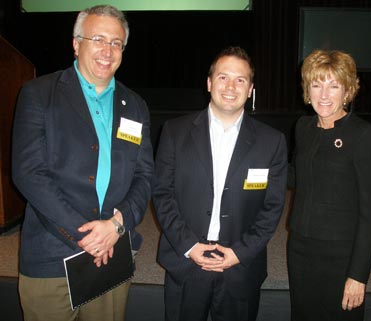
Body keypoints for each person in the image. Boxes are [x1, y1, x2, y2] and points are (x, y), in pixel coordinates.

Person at [12, 5, 154, 321]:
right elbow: (28, 172)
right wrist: (88, 235)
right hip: (53, 255)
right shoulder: (38, 94)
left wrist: (117, 226)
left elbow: (145, 175)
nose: (108, 50)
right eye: (98, 39)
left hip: (113, 251)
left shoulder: (135, 106)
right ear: (76, 44)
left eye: (116, 43)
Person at [152, 46, 288, 321]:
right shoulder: (175, 132)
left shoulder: (272, 142)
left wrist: (240, 252)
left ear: (250, 89)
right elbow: (162, 194)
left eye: (240, 80)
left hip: (240, 266)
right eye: (223, 77)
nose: (230, 86)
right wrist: (190, 246)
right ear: (209, 82)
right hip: (186, 261)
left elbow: (272, 207)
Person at [287, 49, 371, 321]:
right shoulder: (303, 127)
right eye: (316, 85)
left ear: (348, 90)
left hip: (340, 255)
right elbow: (297, 175)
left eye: (334, 85)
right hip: (300, 248)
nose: (324, 95)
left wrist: (358, 275)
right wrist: (253, 168)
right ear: (307, 90)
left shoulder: (365, 135)